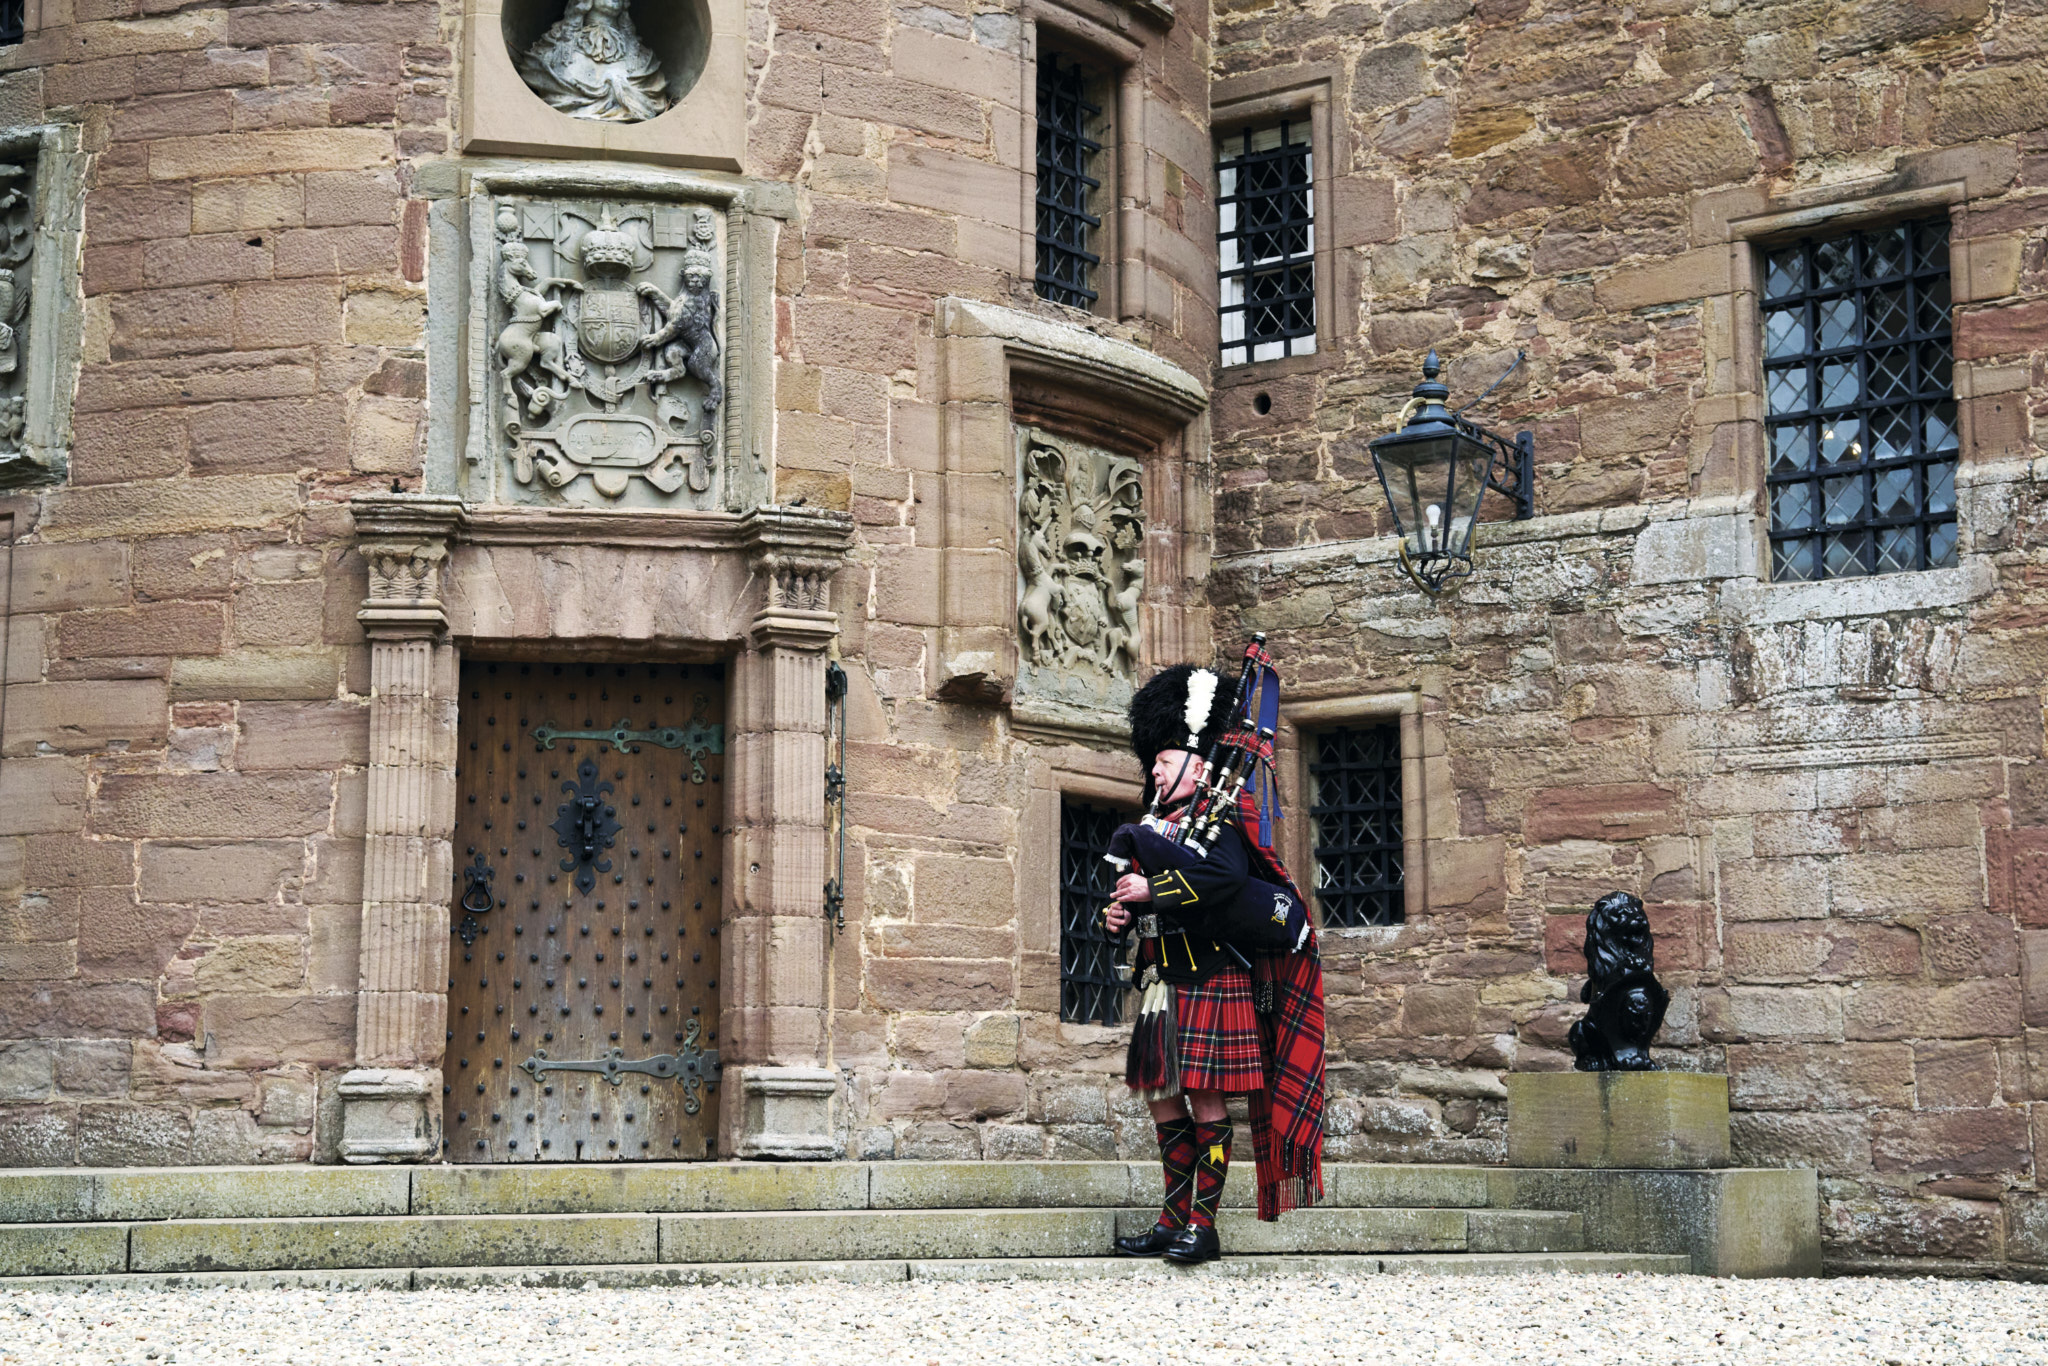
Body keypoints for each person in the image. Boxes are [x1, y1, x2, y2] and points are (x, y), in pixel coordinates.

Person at [1102, 662, 1326, 1265]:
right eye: (1153, 762)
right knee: (1163, 1100)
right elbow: (1136, 904)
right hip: (1160, 982)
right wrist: (1121, 917)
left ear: (1198, 768)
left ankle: (1204, 1226)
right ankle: (1171, 1220)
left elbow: (1225, 878)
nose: (1154, 768)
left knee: (1205, 1102)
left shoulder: (1219, 820)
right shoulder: (1151, 828)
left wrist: (1155, 891)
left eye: (1166, 760)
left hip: (1211, 976)